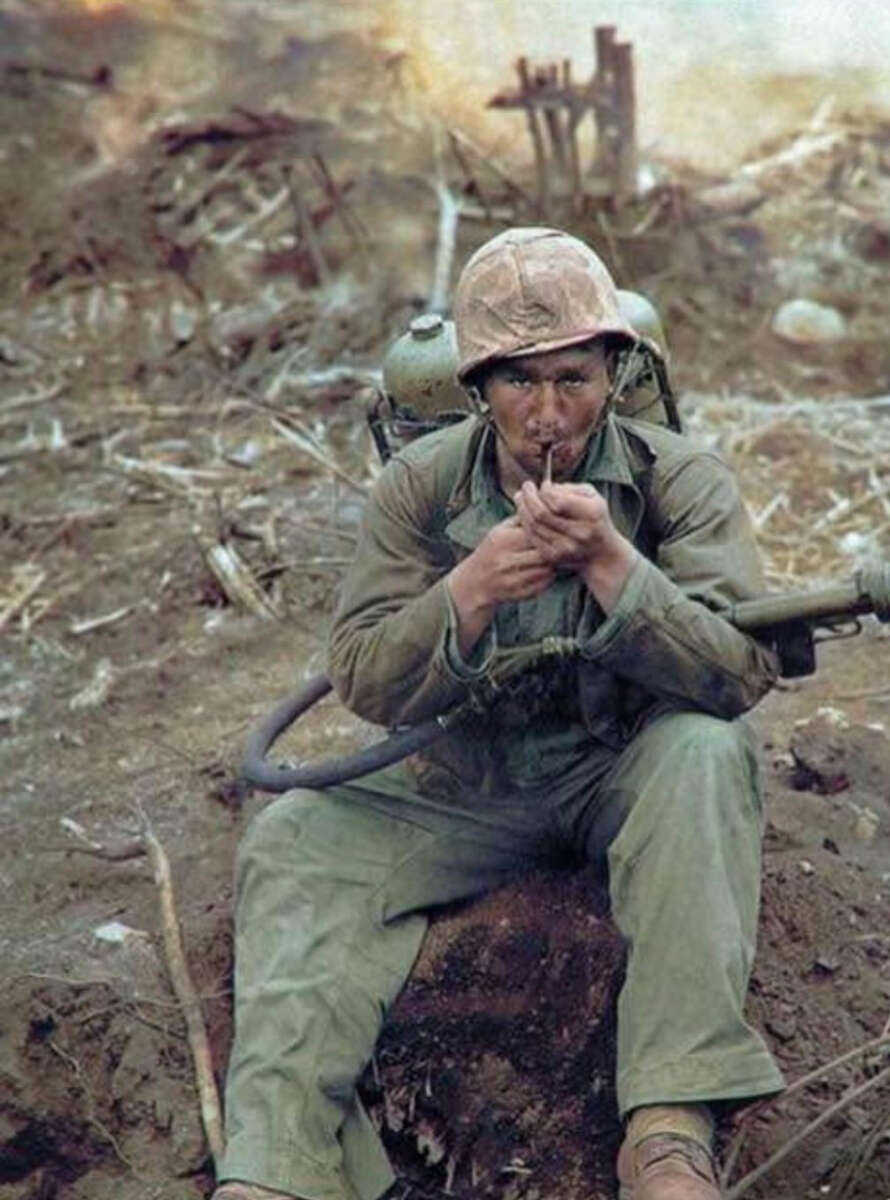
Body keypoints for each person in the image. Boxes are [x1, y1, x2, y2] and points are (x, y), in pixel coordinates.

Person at [213, 227, 785, 1200]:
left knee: (705, 751)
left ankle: (666, 1133)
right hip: (467, 785)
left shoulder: (676, 479)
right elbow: (361, 678)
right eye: (519, 383)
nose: (549, 412)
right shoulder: (419, 487)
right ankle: (278, 1169)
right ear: (477, 387)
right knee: (298, 837)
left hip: (623, 766)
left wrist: (616, 569)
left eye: (574, 377)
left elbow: (734, 674)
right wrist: (467, 592)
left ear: (614, 370)